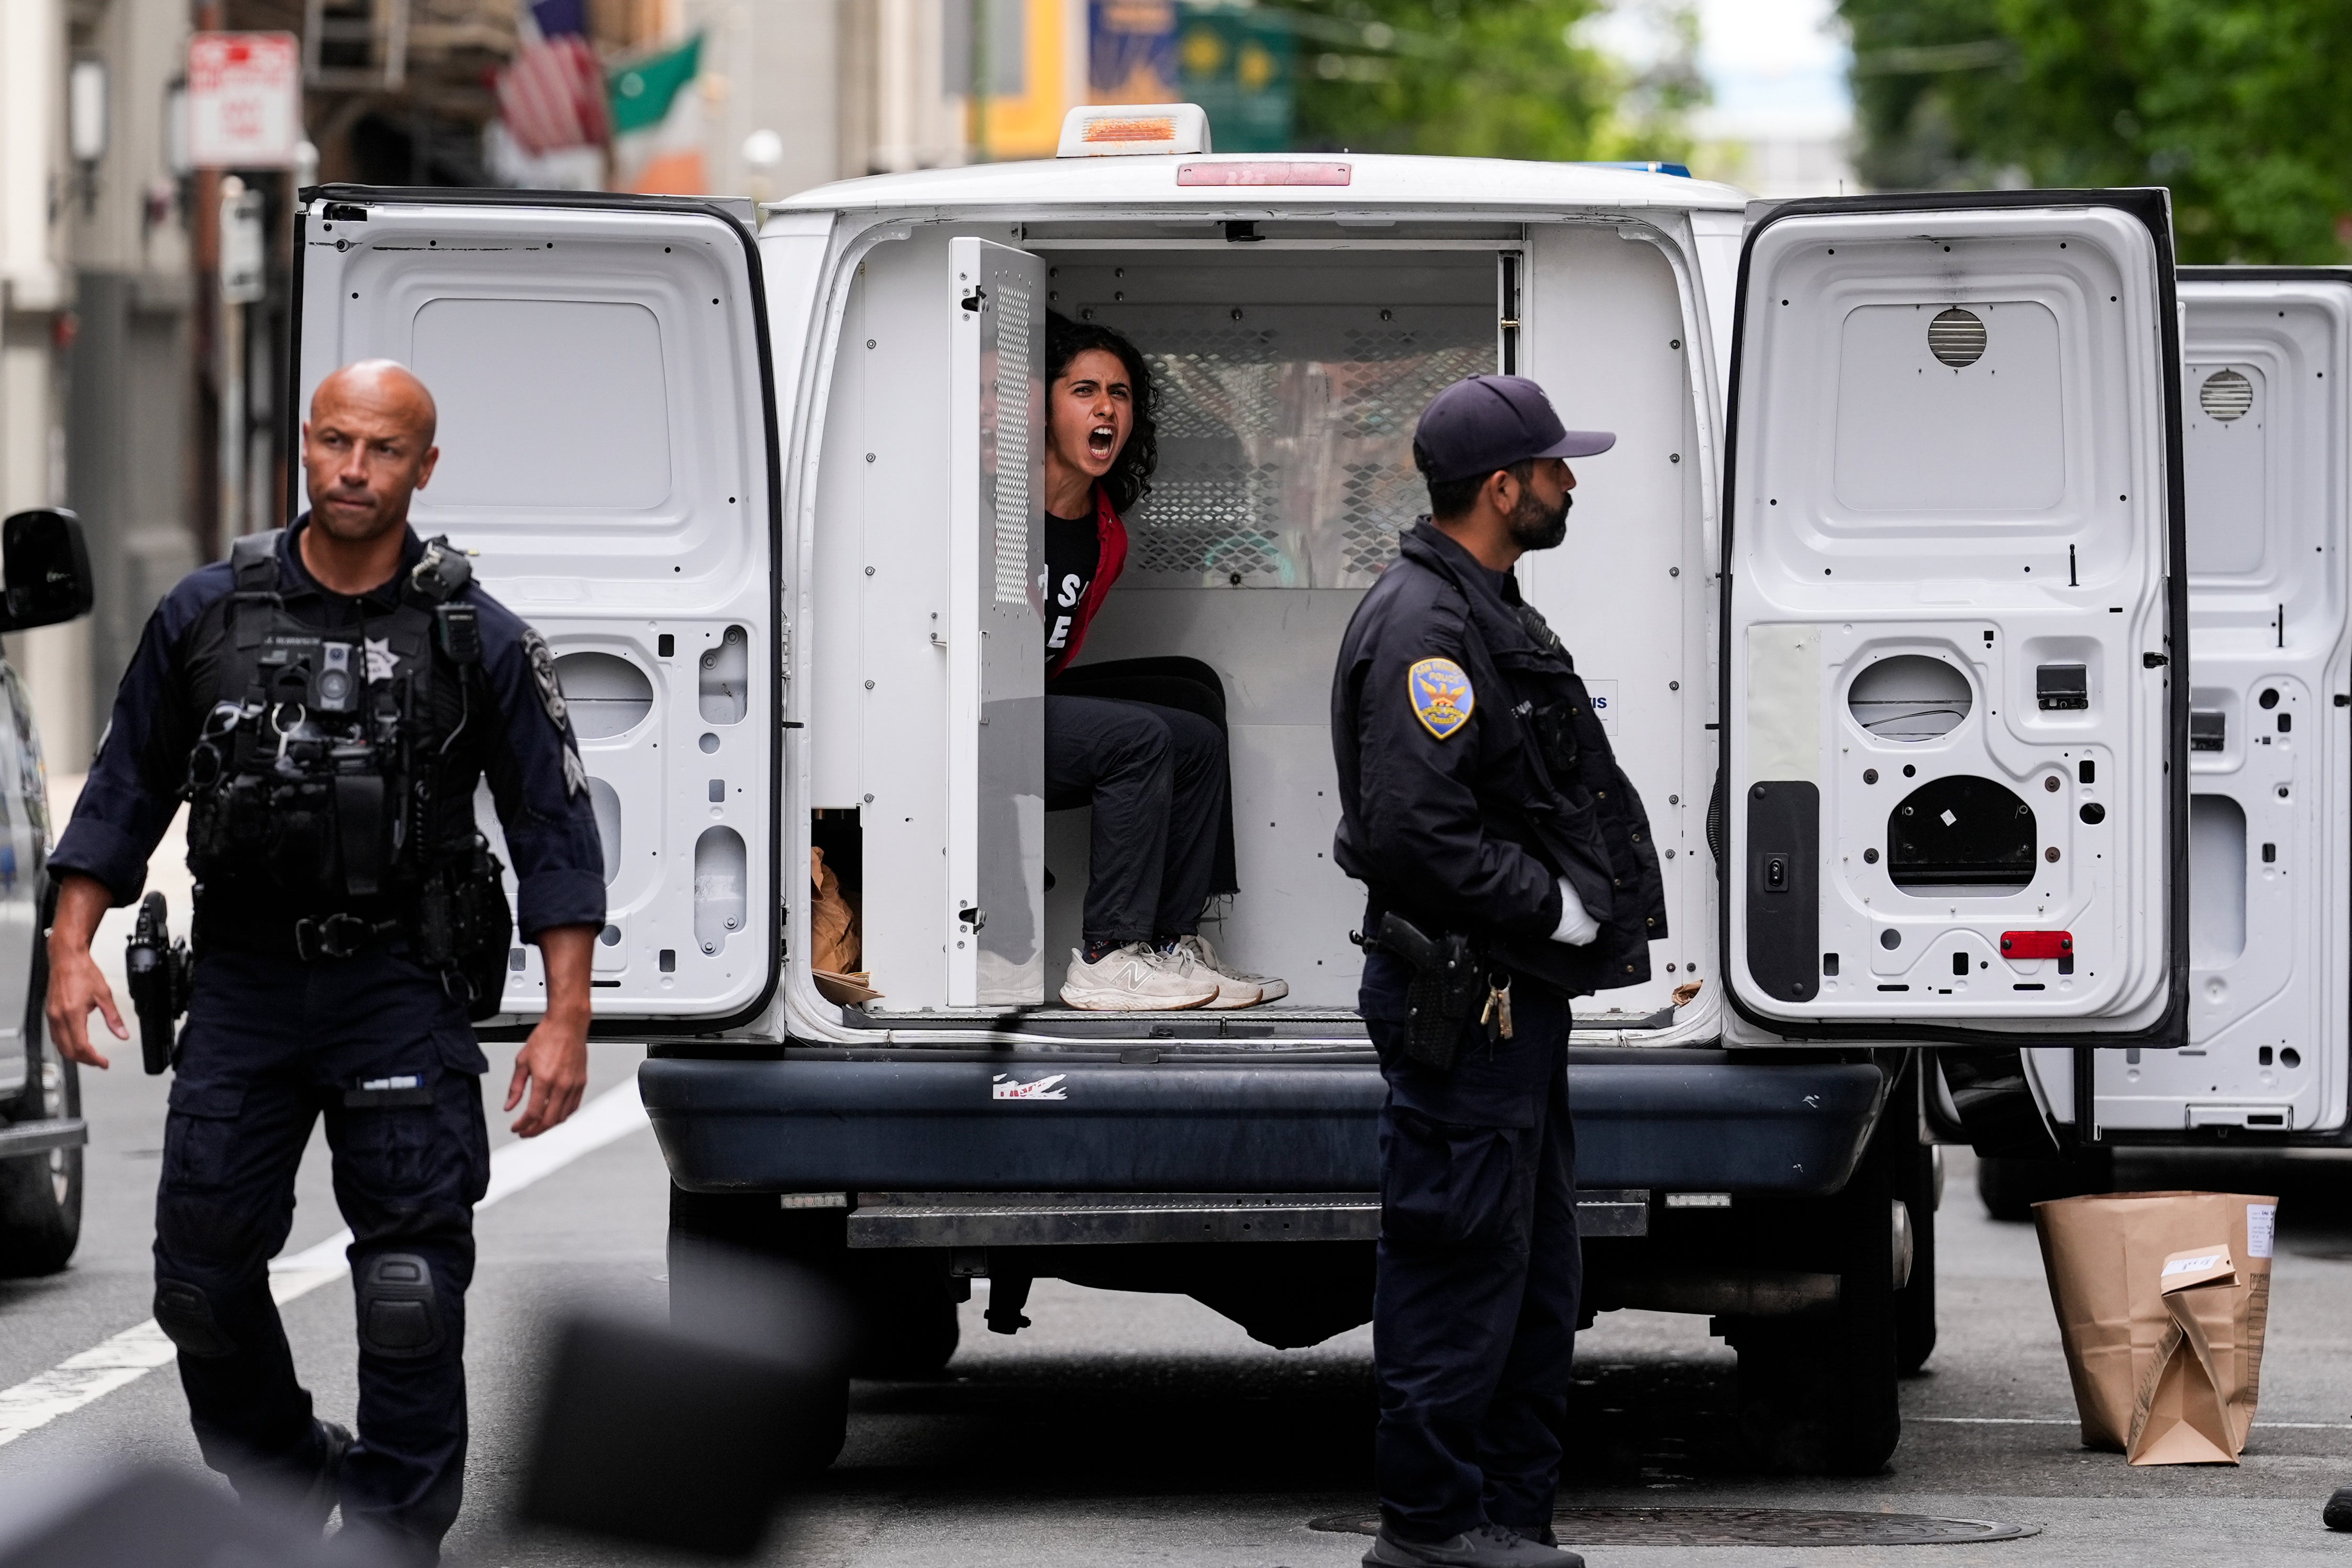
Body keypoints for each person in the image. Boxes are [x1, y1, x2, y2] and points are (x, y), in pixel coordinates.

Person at [44, 360, 606, 1563]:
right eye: (336, 442)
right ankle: (289, 1481)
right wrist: (69, 945)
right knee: (198, 1281)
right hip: (243, 981)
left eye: (384, 450)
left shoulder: (475, 637)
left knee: (407, 1285)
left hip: (397, 984)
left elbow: (555, 824)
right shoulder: (207, 612)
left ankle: (396, 1531)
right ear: (306, 444)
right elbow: (127, 785)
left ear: (425, 466)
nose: (355, 470)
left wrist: (567, 1013)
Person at [1330, 374, 1666, 1568]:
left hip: (1509, 996)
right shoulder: (1426, 625)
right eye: (1554, 467)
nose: (1569, 482)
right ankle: (1428, 1529)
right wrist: (1555, 903)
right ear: (1500, 487)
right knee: (1456, 1254)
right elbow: (1409, 830)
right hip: (1463, 994)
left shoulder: (1485, 606)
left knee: (1526, 1262)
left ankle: (1505, 1517)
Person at [1040, 313, 1286, 1011]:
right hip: (974, 713)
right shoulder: (996, 507)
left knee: (1193, 705)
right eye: (1084, 389)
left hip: (1033, 698)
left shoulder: (1104, 527)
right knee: (1139, 738)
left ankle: (1174, 943)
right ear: (1044, 403)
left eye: (1120, 394)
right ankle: (1106, 955)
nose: (1106, 408)